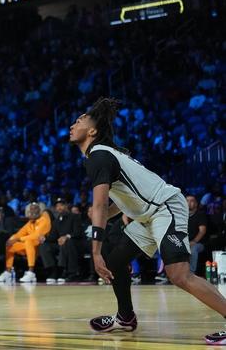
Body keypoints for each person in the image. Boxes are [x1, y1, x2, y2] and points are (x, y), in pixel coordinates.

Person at [69, 97, 226, 344]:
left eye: (79, 121)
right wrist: (104, 215)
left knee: (179, 274)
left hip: (165, 207)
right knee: (116, 261)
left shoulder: (99, 156)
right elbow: (122, 201)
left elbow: (99, 205)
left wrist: (95, 250)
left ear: (93, 131)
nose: (72, 125)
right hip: (149, 215)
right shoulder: (103, 155)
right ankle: (125, 317)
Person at [0, 202, 51, 283]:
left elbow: (36, 235)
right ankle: (8, 272)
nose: (32, 212)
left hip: (42, 245)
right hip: (29, 246)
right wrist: (11, 239)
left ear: (40, 211)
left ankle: (31, 272)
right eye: (31, 210)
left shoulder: (44, 219)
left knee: (28, 241)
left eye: (35, 209)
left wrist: (18, 239)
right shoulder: (30, 223)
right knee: (10, 245)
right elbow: (19, 233)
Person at [40, 198, 83, 283]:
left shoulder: (74, 217)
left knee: (66, 243)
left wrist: (66, 237)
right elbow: (53, 237)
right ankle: (52, 271)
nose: (59, 207)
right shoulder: (56, 221)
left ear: (66, 206)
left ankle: (65, 271)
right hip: (60, 243)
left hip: (73, 242)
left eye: (61, 205)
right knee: (44, 246)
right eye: (57, 206)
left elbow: (78, 232)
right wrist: (44, 238)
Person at [186, 195, 207, 275]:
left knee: (193, 249)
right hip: (185, 242)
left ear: (196, 204)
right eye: (187, 201)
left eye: (191, 201)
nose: (189, 203)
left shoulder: (200, 215)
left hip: (198, 243)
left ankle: (191, 273)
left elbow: (202, 231)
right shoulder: (182, 216)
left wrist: (194, 241)